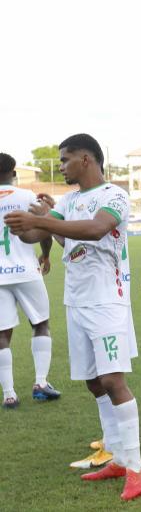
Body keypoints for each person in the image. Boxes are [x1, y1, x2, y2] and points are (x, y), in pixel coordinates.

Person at [4, 133, 141, 500]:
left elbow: (96, 229)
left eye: (66, 159)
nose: (63, 165)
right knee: (93, 382)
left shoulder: (114, 195)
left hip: (107, 302)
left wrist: (46, 223)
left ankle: (135, 465)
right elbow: (42, 232)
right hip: (77, 302)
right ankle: (115, 455)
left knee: (113, 380)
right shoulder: (68, 201)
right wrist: (22, 225)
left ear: (86, 159)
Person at [0, 152, 59, 409]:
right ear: (14, 173)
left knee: (2, 334)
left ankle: (9, 394)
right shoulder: (27, 197)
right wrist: (45, 255)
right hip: (26, 270)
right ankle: (41, 383)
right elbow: (45, 228)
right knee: (41, 323)